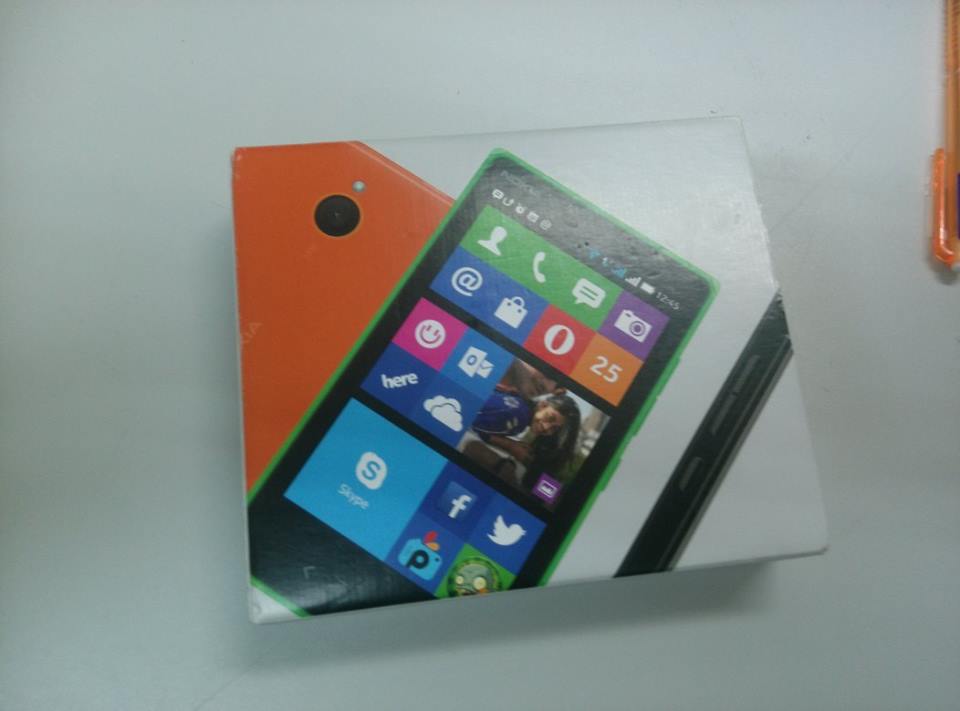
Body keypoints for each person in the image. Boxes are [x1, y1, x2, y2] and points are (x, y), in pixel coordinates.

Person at [463, 363, 582, 490]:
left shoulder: (520, 408)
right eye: (550, 418)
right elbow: (471, 422)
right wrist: (509, 445)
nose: (547, 427)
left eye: (554, 428)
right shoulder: (518, 416)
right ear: (543, 405)